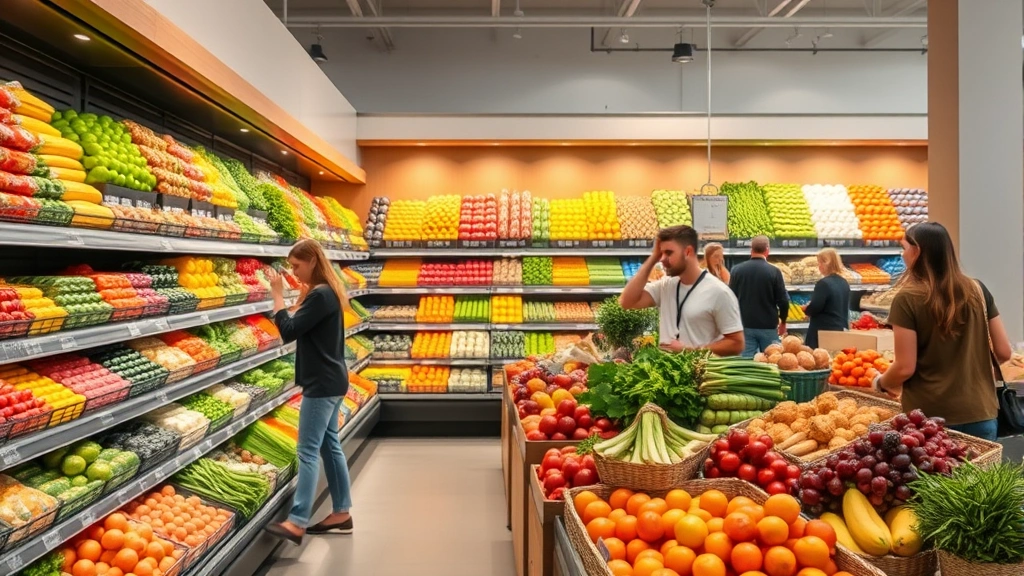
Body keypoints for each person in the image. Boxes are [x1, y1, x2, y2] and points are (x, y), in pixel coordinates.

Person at [874, 223, 1012, 441]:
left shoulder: (907, 298)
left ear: (917, 251)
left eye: (904, 248)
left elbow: (904, 367)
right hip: (981, 413)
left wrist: (881, 383)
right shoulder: (978, 290)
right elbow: (1004, 352)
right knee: (980, 476)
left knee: (934, 477)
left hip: (928, 419)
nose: (903, 255)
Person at [265, 239, 355, 545]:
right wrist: (295, 302)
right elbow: (303, 325)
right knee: (330, 445)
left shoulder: (320, 294)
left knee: (307, 450)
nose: (293, 271)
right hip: (333, 380)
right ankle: (341, 512)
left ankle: (297, 521)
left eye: (296, 265)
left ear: (312, 261)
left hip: (321, 385)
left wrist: (277, 297)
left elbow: (289, 331)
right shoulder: (325, 292)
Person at [620, 225, 744, 356]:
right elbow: (627, 302)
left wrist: (689, 350)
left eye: (668, 253)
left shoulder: (719, 292)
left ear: (688, 252)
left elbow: (736, 343)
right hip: (668, 372)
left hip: (702, 374)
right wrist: (652, 259)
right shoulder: (666, 285)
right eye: (661, 253)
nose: (662, 259)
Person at [728, 236, 789, 357]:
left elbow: (730, 299)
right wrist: (783, 322)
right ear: (767, 250)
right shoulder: (774, 271)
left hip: (744, 325)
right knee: (771, 361)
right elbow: (783, 301)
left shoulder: (736, 270)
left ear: (751, 250)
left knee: (746, 365)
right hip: (768, 326)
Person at [803, 248, 852, 349]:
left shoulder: (823, 283)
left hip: (823, 331)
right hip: (839, 329)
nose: (819, 266)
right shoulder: (844, 282)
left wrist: (806, 309)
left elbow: (815, 307)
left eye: (820, 263)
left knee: (819, 361)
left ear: (826, 263)